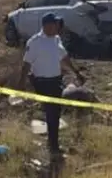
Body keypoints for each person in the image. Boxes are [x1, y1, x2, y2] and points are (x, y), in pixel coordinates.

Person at [19, 13, 85, 159]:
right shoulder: (35, 42)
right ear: (47, 25)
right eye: (55, 24)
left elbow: (64, 57)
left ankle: (53, 143)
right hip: (42, 82)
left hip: (55, 81)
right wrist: (21, 83)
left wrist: (76, 72)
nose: (57, 27)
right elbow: (26, 64)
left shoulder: (56, 39)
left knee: (55, 112)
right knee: (52, 112)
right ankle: (54, 147)